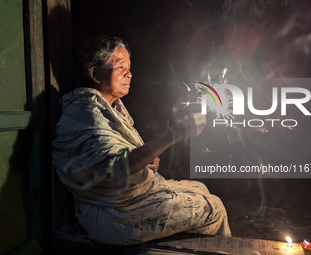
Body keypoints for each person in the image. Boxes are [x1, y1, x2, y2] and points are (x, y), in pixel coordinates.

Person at [52, 36, 231, 246]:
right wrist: (172, 135)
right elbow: (116, 165)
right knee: (214, 207)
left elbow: (126, 154)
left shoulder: (110, 109)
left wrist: (148, 159)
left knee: (199, 187)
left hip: (131, 201)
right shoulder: (86, 112)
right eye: (120, 67)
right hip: (115, 214)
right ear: (94, 73)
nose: (129, 74)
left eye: (129, 67)